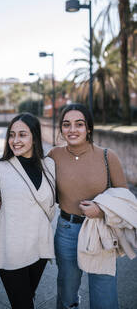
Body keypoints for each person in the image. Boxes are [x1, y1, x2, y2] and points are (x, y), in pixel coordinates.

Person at [48, 103, 128, 309]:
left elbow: (126, 201)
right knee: (66, 291)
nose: (72, 130)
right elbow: (40, 190)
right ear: (61, 129)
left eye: (79, 124)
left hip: (100, 231)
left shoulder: (107, 156)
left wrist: (100, 210)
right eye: (66, 124)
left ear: (89, 128)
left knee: (104, 292)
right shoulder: (53, 156)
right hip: (67, 231)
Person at [0, 112, 56, 309]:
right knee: (23, 304)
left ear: (34, 137)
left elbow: (60, 197)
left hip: (40, 247)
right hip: (11, 249)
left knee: (27, 297)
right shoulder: (0, 168)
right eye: (11, 134)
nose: (15, 140)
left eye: (22, 134)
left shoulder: (50, 165)